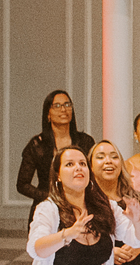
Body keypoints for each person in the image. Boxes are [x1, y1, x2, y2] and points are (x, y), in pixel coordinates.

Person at [17, 90, 96, 223]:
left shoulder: (85, 141)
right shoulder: (37, 144)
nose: (63, 109)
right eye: (57, 106)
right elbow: (22, 184)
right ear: (48, 114)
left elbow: (95, 176)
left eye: (67, 105)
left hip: (81, 206)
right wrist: (51, 198)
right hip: (47, 206)